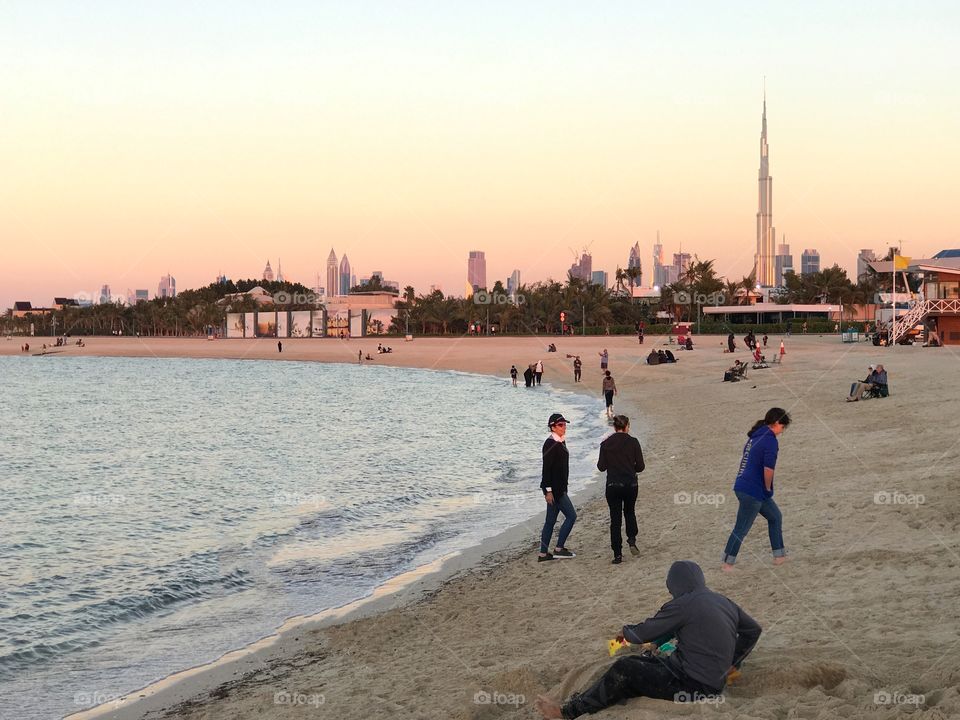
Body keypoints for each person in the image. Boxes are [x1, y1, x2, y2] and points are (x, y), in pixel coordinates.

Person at [535, 561, 762, 719]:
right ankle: (591, 697)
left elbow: (642, 633)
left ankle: (567, 713)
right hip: (712, 680)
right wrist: (734, 662)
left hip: (694, 686)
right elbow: (753, 630)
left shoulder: (683, 604)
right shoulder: (722, 601)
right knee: (647, 659)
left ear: (674, 584)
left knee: (625, 667)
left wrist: (624, 632)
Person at [722, 408, 791, 571]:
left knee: (775, 517)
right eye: (783, 427)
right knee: (742, 527)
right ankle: (727, 563)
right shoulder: (770, 441)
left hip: (745, 486)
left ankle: (779, 556)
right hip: (752, 491)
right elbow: (768, 469)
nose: (783, 431)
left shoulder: (756, 436)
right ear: (776, 423)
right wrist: (767, 488)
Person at [598, 415, 644, 564]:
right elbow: (641, 466)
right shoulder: (633, 442)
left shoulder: (606, 444)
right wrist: (631, 467)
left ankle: (617, 554)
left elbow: (601, 467)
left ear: (614, 427)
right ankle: (631, 540)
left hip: (613, 485)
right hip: (630, 484)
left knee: (615, 519)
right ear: (626, 427)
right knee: (630, 512)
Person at [538, 413, 577, 562]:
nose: (564, 427)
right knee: (572, 516)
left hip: (560, 488)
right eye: (560, 425)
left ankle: (543, 554)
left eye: (565, 424)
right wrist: (547, 491)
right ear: (552, 427)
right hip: (555, 490)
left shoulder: (560, 441)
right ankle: (559, 548)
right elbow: (546, 469)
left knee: (550, 521)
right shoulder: (550, 444)